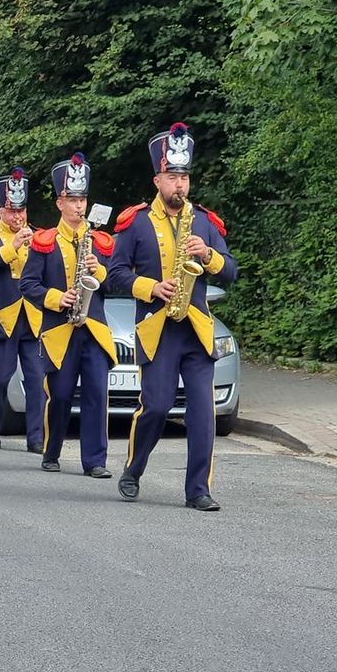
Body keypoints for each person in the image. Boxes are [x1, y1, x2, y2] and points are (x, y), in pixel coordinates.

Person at [108, 122, 238, 511]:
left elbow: (230, 271)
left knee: (203, 411)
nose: (179, 185)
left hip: (196, 329)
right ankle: (133, 468)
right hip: (158, 329)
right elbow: (115, 274)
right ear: (157, 179)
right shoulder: (135, 223)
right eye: (171, 177)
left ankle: (198, 489)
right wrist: (150, 288)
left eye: (183, 177)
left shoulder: (205, 223)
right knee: (159, 407)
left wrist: (210, 256)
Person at [20, 153, 116, 476]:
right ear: (60, 202)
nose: (79, 206)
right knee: (60, 395)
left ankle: (96, 461)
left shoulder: (99, 241)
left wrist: (99, 269)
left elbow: (116, 281)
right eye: (72, 199)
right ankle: (52, 450)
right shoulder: (44, 241)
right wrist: (56, 297)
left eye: (83, 199)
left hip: (94, 328)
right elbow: (28, 284)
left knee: (96, 394)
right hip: (60, 330)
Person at [0, 167, 45, 452]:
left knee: (38, 379)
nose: (18, 217)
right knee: (0, 378)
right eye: (12, 211)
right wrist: (12, 246)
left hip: (34, 318)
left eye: (22, 210)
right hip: (2, 318)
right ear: (1, 211)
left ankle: (36, 438)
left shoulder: (40, 236)